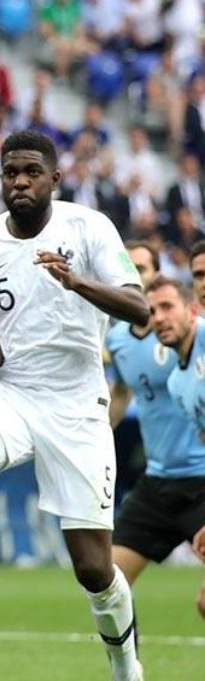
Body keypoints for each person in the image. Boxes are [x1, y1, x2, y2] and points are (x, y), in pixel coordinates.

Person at [0, 131, 149, 681]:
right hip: (13, 391)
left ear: (54, 179)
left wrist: (75, 279)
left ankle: (126, 667)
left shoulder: (88, 228)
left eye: (31, 172)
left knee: (92, 567)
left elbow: (140, 310)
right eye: (10, 172)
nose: (19, 181)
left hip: (78, 404)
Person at [105, 242, 205, 607]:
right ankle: (126, 666)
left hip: (201, 481)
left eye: (142, 270)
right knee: (106, 586)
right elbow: (121, 392)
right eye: (127, 271)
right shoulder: (118, 341)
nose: (135, 279)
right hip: (159, 482)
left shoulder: (196, 336)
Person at [144, 273, 205, 619]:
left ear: (192, 310)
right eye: (152, 311)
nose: (159, 318)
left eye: (167, 307)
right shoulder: (177, 384)